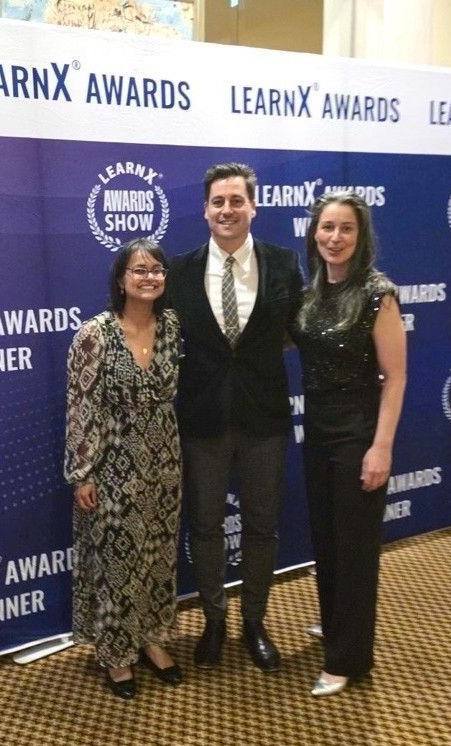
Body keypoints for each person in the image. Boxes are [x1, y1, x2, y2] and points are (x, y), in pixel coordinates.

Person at [167, 163, 303, 672]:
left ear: (253, 207)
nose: (227, 210)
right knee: (204, 525)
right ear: (205, 210)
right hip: (201, 420)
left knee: (262, 526)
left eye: (236, 200)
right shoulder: (178, 271)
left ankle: (254, 621)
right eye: (218, 201)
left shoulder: (284, 262)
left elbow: (294, 330)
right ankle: (214, 620)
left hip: (264, 418)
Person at [291, 191, 406, 696]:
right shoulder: (312, 293)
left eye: (346, 229)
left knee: (355, 548)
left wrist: (381, 447)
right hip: (317, 431)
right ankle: (338, 623)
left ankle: (347, 659)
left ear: (361, 237)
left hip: (359, 433)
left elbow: (396, 377)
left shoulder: (379, 294)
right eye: (327, 228)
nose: (334, 238)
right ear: (314, 233)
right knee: (327, 538)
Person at [64, 237, 183, 699]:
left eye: (156, 270)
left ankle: (152, 638)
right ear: (121, 279)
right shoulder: (94, 335)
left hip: (164, 461)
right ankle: (116, 654)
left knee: (158, 555)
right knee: (117, 560)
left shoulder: (172, 326)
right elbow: (81, 407)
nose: (149, 277)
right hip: (112, 464)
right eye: (139, 270)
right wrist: (83, 472)